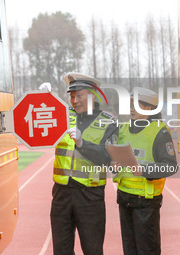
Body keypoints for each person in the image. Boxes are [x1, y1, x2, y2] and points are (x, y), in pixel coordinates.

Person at [41, 72, 117, 255]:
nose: (75, 100)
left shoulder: (108, 122)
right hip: (61, 194)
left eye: (79, 95)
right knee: (61, 250)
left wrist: (83, 144)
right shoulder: (62, 115)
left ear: (92, 95)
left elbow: (107, 157)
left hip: (90, 196)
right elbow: (40, 123)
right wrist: (45, 98)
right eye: (72, 96)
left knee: (92, 250)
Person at [112, 87, 178, 255]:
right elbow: (114, 157)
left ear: (148, 108)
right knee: (130, 249)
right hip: (124, 198)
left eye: (136, 105)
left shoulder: (159, 132)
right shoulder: (123, 129)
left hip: (146, 203)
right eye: (130, 104)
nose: (131, 108)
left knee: (147, 250)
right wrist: (113, 164)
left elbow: (170, 165)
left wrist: (143, 170)